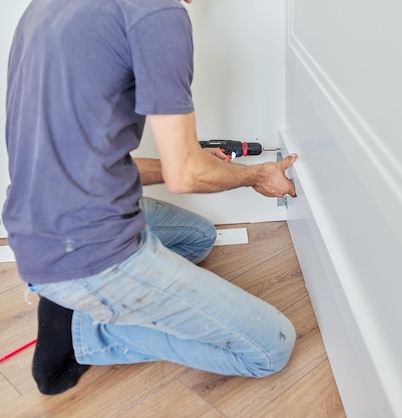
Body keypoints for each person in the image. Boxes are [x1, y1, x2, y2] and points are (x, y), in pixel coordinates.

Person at [2, 0, 298, 395]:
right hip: (87, 250)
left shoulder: (51, 6)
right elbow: (186, 176)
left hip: (38, 228)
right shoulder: (158, 14)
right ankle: (86, 338)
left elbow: (97, 160)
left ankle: (72, 296)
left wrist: (187, 159)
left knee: (198, 237)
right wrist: (256, 176)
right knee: (270, 348)